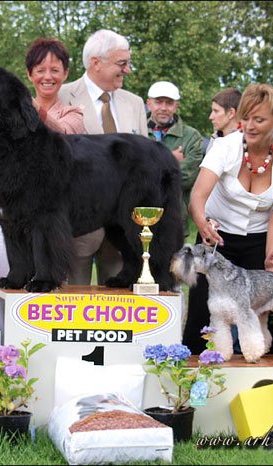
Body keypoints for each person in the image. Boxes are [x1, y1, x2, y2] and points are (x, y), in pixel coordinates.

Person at [183, 84, 273, 354]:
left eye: (258, 119)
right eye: (245, 117)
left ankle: (264, 386)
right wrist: (202, 223)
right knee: (202, 319)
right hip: (216, 240)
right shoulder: (224, 147)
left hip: (262, 241)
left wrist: (271, 258)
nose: (249, 125)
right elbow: (197, 197)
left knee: (266, 319)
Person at [0, 38, 84, 318]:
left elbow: (64, 134)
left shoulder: (72, 112)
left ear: (65, 74)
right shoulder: (6, 108)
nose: (47, 76)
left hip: (47, 222)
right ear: (30, 74)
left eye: (55, 70)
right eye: (40, 69)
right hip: (8, 217)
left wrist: (29, 108)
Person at [58, 29, 148, 286]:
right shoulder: (62, 96)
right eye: (122, 63)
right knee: (73, 307)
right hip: (78, 231)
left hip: (124, 231)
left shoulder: (135, 103)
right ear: (96, 62)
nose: (128, 70)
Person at [146, 81, 203, 237]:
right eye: (158, 102)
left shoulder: (191, 136)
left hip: (173, 221)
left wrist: (148, 167)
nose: (164, 108)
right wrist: (171, 159)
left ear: (176, 106)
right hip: (137, 220)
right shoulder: (137, 130)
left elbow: (186, 178)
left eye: (169, 103)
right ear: (149, 104)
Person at [206, 88, 242, 153]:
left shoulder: (246, 142)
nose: (210, 117)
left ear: (231, 113)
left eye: (216, 111)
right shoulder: (215, 138)